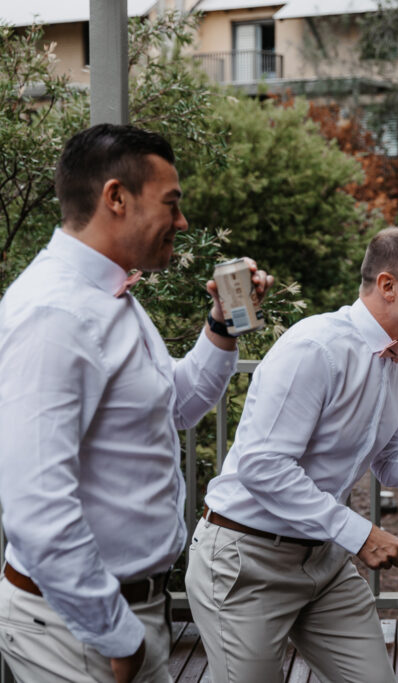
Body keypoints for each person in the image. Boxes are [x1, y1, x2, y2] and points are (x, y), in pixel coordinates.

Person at [0, 123, 273, 683]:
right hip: (79, 628)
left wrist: (223, 327)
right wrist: (116, 634)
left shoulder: (108, 297)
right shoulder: (56, 314)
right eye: (171, 203)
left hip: (124, 616)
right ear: (116, 198)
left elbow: (176, 406)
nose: (182, 221)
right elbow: (35, 505)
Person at [185, 227, 398, 683]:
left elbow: (392, 460)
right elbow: (264, 468)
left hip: (323, 560)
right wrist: (359, 534)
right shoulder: (315, 347)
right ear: (387, 285)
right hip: (246, 561)